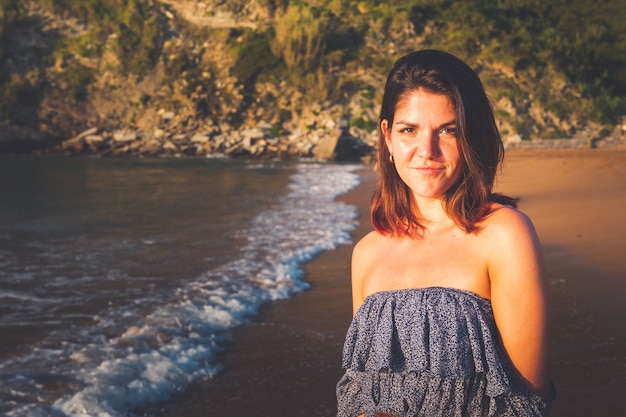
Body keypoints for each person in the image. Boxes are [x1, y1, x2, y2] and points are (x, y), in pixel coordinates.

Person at [336, 50, 556, 417]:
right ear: (388, 137)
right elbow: (363, 393)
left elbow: (526, 398)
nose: (427, 151)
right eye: (409, 130)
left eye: (448, 130)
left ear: (471, 136)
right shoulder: (367, 253)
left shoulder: (503, 234)